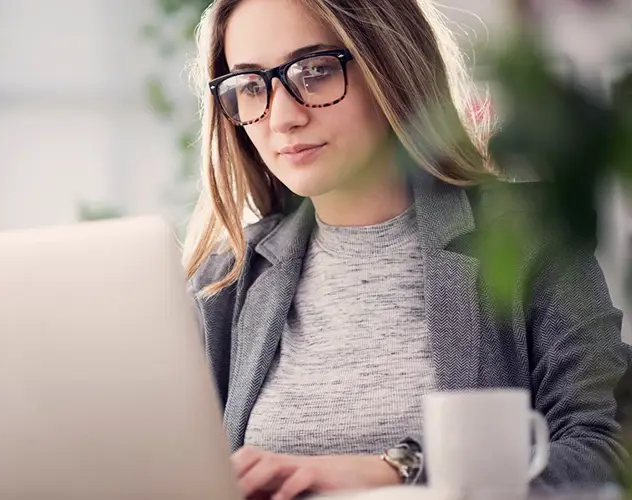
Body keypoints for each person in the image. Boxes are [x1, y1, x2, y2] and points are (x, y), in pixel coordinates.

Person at [182, 0, 631, 498]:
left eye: (315, 72)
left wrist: (400, 468)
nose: (282, 117)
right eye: (249, 85)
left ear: (389, 67)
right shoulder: (226, 278)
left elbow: (603, 446)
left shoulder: (527, 237)